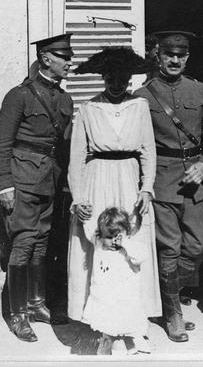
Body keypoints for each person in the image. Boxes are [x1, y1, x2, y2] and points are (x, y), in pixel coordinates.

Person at [134, 31, 203, 343]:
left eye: (181, 55)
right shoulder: (143, 96)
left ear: (187, 57)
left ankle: (167, 297)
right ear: (158, 55)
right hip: (163, 180)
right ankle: (173, 313)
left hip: (197, 180)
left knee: (196, 245)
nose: (174, 60)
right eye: (169, 54)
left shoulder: (199, 91)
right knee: (169, 248)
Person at [66, 46, 161, 326]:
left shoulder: (139, 107)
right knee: (98, 236)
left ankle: (134, 312)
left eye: (122, 79)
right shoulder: (89, 109)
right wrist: (78, 197)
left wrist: (146, 188)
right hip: (98, 178)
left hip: (130, 179)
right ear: (103, 78)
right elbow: (76, 157)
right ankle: (97, 312)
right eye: (111, 78)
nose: (117, 85)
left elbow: (147, 151)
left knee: (132, 236)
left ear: (130, 79)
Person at [0, 33, 74, 342]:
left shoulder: (65, 99)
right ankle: (18, 313)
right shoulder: (19, 96)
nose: (69, 61)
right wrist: (4, 187)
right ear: (46, 58)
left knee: (42, 243)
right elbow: (1, 145)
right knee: (23, 244)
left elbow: (63, 146)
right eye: (64, 57)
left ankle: (37, 303)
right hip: (22, 180)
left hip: (50, 181)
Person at [81, 207, 152, 355]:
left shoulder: (129, 249)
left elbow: (141, 255)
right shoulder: (99, 244)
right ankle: (108, 342)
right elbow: (88, 226)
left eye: (118, 236)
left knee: (127, 325)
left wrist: (125, 242)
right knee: (108, 326)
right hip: (104, 299)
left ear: (126, 233)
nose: (114, 241)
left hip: (125, 300)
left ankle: (132, 341)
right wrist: (81, 210)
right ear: (101, 235)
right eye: (109, 237)